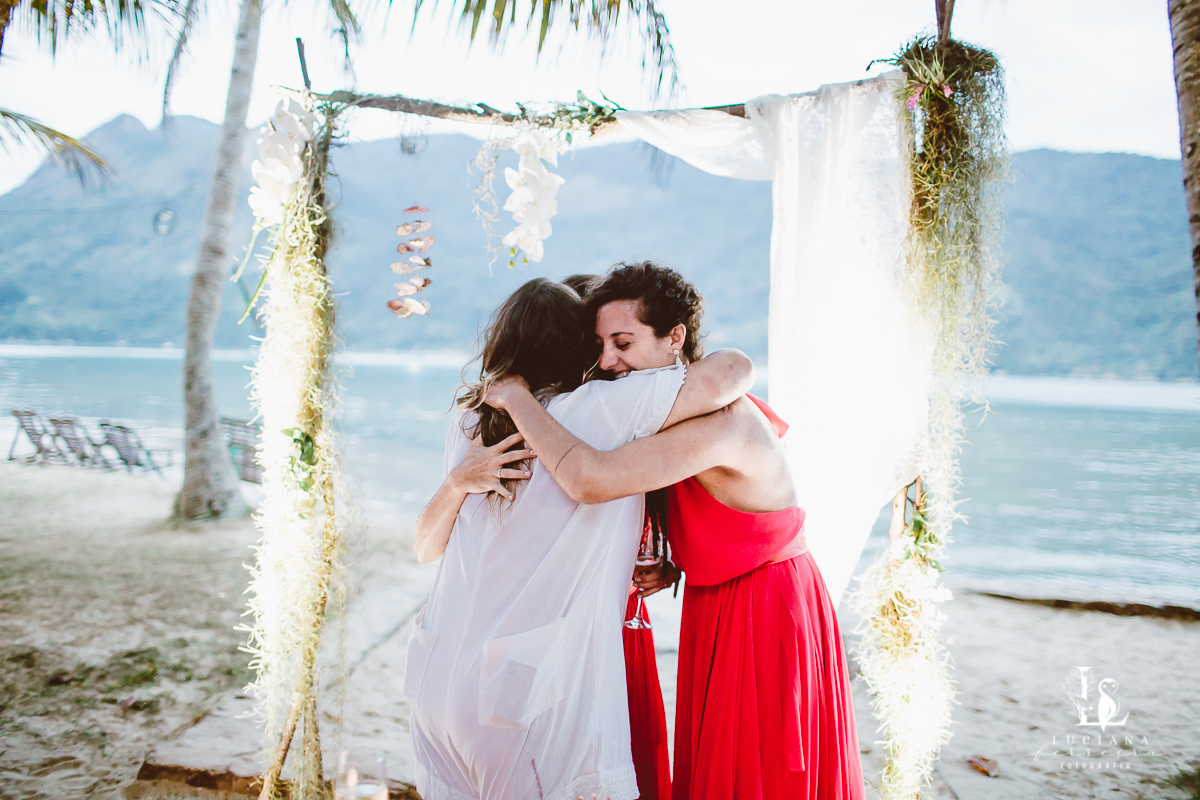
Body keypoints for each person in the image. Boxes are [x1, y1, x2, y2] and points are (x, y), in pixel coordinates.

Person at [485, 263, 865, 800]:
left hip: (763, 604)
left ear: (675, 338)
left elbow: (590, 479)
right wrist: (677, 559)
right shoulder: (671, 413)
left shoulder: (721, 420)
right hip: (721, 598)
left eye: (623, 343)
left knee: (757, 773)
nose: (608, 362)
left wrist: (517, 398)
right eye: (600, 346)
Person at [407, 277, 754, 800]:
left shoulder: (471, 423)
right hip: (516, 700)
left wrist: (460, 474)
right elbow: (732, 372)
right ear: (578, 348)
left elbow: (425, 548)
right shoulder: (596, 410)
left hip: (435, 680)